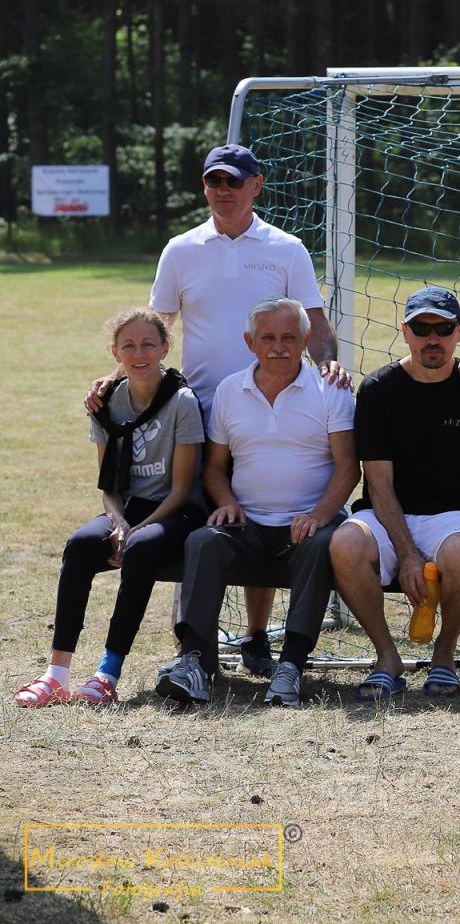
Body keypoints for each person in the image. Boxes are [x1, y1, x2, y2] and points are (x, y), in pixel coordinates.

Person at [85, 143, 347, 676]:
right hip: (196, 411)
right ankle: (195, 647)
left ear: (257, 184)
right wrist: (115, 376)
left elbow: (313, 323)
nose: (222, 191)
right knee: (207, 527)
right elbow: (156, 326)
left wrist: (328, 367)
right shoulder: (181, 249)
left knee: (258, 510)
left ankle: (254, 637)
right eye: (213, 182)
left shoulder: (286, 247)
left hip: (270, 401)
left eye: (233, 181)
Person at [154, 299, 359, 707]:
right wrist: (227, 501)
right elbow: (213, 467)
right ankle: (195, 661)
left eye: (288, 337)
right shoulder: (230, 390)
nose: (279, 346)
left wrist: (318, 515)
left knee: (322, 544)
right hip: (247, 524)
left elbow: (348, 468)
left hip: (309, 524)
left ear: (305, 339)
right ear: (250, 342)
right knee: (203, 540)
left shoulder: (330, 390)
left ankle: (291, 666)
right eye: (268, 337)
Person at [15, 308, 205, 707]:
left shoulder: (182, 401)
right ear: (115, 352)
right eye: (129, 346)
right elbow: (108, 486)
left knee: (142, 545)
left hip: (176, 511)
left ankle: (106, 674)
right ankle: (56, 673)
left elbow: (183, 489)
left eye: (149, 344)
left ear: (165, 348)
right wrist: (118, 521)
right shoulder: (105, 403)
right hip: (129, 508)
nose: (139, 354)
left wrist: (135, 531)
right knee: (81, 542)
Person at [328, 287, 460, 700]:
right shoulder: (379, 388)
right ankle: (387, 658)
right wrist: (405, 552)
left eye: (443, 328)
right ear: (405, 331)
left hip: (452, 512)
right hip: (389, 511)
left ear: (458, 332)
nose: (432, 338)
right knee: (345, 542)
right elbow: (378, 482)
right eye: (422, 327)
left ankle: (444, 657)